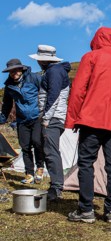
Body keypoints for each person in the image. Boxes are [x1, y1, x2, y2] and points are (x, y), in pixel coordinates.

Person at [65, 27, 111, 224]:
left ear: (96, 39)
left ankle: (86, 210)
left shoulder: (91, 57)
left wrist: (73, 118)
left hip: (91, 119)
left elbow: (78, 90)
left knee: (86, 163)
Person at [30, 45, 71, 201]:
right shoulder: (55, 70)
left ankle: (56, 187)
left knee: (51, 151)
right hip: (54, 117)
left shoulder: (54, 72)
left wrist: (46, 119)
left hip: (53, 118)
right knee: (49, 150)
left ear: (43, 59)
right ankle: (56, 185)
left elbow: (53, 95)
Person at [0, 58, 45, 184]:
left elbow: (45, 93)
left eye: (15, 70)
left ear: (21, 69)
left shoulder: (34, 78)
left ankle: (40, 168)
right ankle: (29, 173)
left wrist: (46, 112)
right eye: (11, 71)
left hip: (37, 117)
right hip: (22, 120)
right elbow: (7, 105)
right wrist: (2, 119)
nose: (14, 73)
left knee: (37, 142)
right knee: (25, 147)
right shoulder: (9, 86)